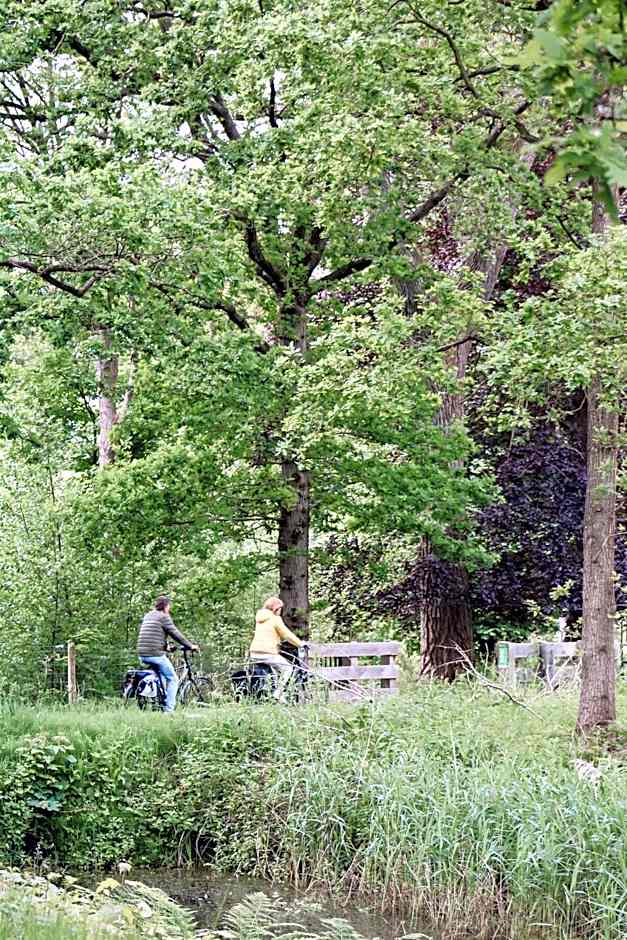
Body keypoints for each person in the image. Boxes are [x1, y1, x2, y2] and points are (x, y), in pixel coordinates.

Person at [137, 595, 199, 713]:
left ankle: (159, 700)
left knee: (162, 675)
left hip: (142, 653)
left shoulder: (148, 615)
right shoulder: (164, 617)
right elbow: (176, 634)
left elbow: (153, 635)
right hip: (154, 654)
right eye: (169, 606)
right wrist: (190, 646)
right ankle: (169, 711)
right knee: (173, 679)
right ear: (165, 606)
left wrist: (166, 647)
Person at [249, 596, 303, 702]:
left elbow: (269, 634)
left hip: (254, 653)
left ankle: (277, 696)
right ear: (275, 609)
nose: (281, 611)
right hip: (266, 653)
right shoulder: (275, 619)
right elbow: (286, 635)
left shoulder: (260, 619)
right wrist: (300, 644)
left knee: (274, 672)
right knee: (287, 668)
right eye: (280, 609)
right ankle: (278, 694)